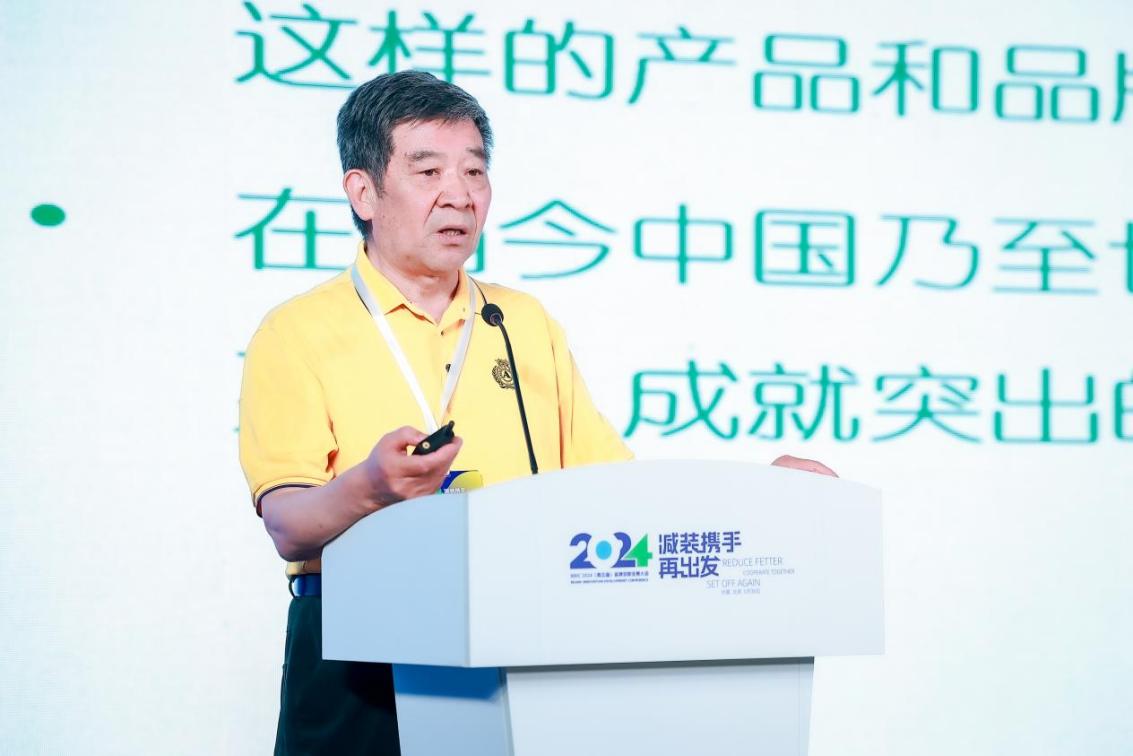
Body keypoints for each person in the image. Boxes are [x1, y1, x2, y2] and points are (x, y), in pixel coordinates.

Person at [239, 70, 835, 755]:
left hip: (520, 631)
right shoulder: (298, 331)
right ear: (363, 191)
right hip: (357, 652)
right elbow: (288, 524)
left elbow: (613, 491)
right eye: (428, 171)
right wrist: (371, 487)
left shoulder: (518, 322)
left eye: (474, 171)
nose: (459, 195)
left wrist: (759, 497)